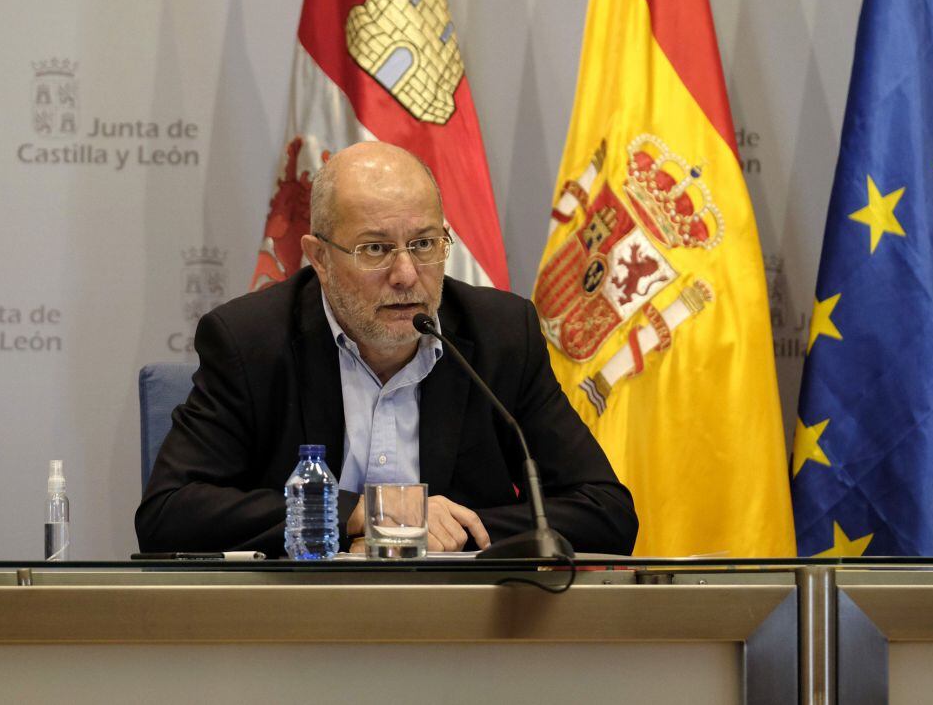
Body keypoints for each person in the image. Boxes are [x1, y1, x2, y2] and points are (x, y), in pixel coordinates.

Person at [135, 141, 637, 557]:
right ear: (319, 258)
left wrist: (443, 530)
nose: (405, 275)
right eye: (374, 249)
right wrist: (359, 513)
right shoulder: (250, 341)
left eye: (424, 244)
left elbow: (605, 511)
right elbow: (169, 514)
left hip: (464, 638)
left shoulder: (500, 335)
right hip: (295, 634)